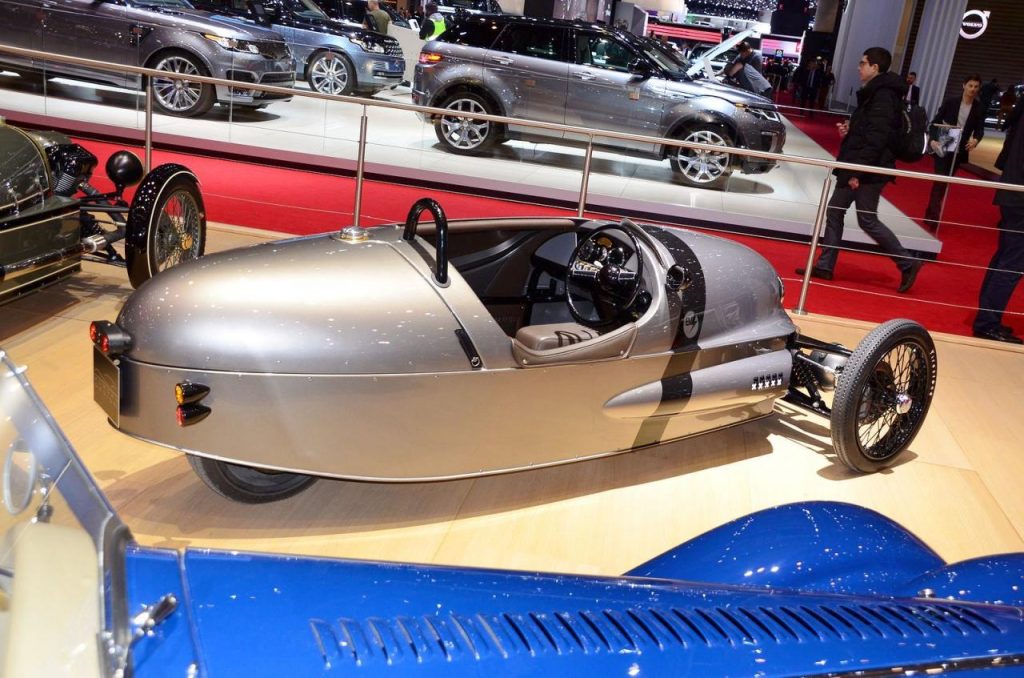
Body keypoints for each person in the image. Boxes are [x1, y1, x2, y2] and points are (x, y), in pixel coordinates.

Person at [796, 47, 923, 293]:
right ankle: (825, 265)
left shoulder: (883, 95)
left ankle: (907, 262)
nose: (859, 67)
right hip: (860, 165)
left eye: (863, 63)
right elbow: (870, 131)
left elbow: (877, 139)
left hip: (868, 169)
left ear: (875, 67)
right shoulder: (875, 92)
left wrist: (857, 172)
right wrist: (851, 129)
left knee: (866, 219)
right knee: (835, 211)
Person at [972, 98, 1024, 343]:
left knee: (1005, 258)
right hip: (1020, 197)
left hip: (1012, 191)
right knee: (1012, 263)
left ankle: (987, 317)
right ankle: (987, 322)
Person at [923, 74, 985, 230]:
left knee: (944, 182)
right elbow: (934, 123)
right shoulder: (950, 102)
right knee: (940, 180)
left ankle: (930, 213)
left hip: (960, 150)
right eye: (970, 85)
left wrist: (975, 140)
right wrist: (932, 140)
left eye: (976, 87)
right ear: (964, 85)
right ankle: (934, 218)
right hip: (944, 145)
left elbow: (980, 130)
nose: (973, 89)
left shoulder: (979, 108)